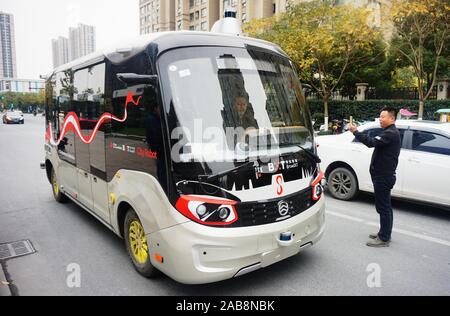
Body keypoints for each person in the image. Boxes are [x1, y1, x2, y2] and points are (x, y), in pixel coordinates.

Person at [349, 107, 401, 247]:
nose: (380, 119)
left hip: (384, 177)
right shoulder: (388, 132)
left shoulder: (390, 133)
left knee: (383, 208)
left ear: (392, 118)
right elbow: (374, 140)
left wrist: (356, 132)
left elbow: (371, 142)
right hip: (382, 176)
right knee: (383, 207)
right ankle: (383, 233)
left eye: (383, 116)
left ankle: (384, 238)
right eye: (380, 116)